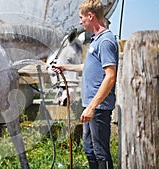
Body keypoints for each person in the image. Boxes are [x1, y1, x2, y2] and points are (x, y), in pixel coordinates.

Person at [52, 0, 119, 169]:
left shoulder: (106, 41)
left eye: (82, 17)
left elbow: (110, 77)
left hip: (98, 107)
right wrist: (65, 66)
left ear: (91, 16)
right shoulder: (95, 41)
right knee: (89, 149)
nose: (80, 21)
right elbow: (88, 67)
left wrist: (92, 107)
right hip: (90, 106)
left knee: (100, 152)